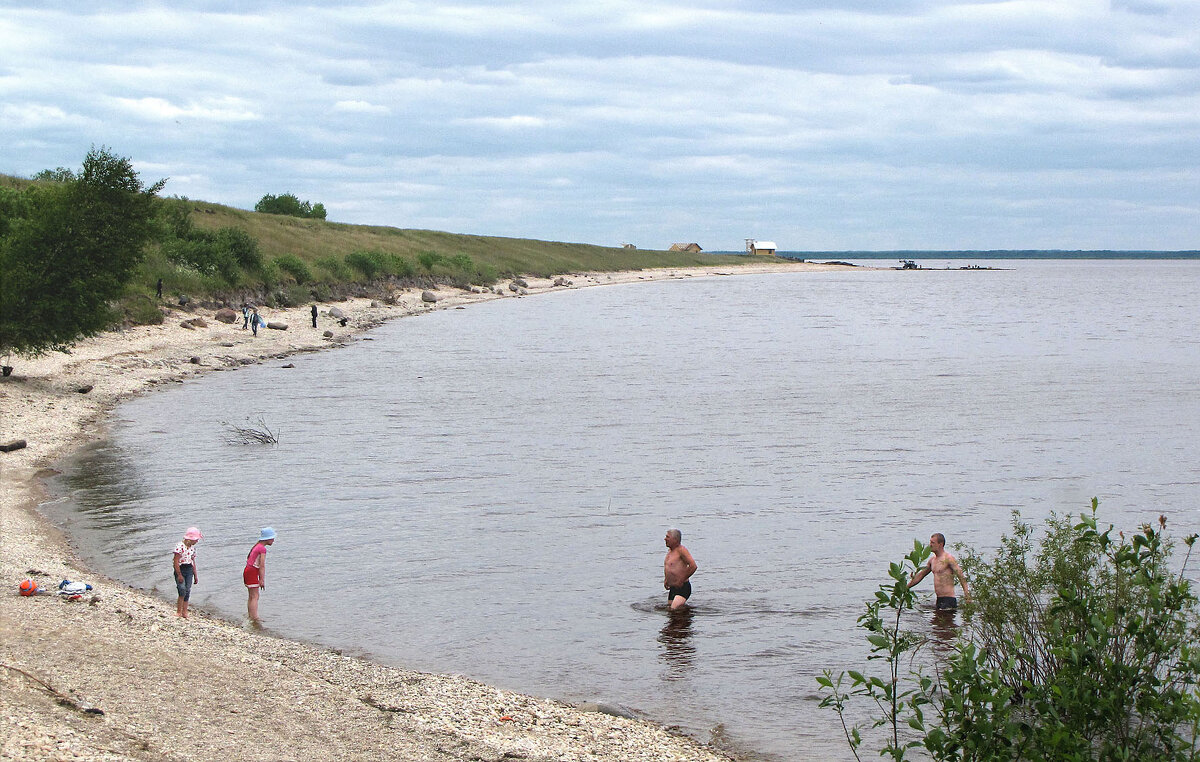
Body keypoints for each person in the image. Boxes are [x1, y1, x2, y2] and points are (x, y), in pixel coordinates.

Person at [908, 532, 970, 609]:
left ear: (940, 544)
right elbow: (921, 575)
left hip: (949, 599)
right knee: (936, 620)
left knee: (944, 620)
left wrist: (967, 595)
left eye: (933, 542)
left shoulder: (948, 558)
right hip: (939, 599)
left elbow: (961, 576)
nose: (930, 545)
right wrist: (906, 587)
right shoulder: (932, 561)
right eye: (930, 542)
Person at [243, 527, 275, 625]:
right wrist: (261, 580)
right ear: (268, 539)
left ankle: (251, 615)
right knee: (255, 596)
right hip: (252, 572)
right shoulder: (262, 549)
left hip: (247, 570)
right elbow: (262, 565)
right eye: (272, 538)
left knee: (251, 596)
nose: (273, 540)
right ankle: (255, 618)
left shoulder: (256, 546)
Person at [663, 528, 697, 610]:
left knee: (673, 610)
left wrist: (681, 580)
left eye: (667, 537)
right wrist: (666, 580)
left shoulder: (681, 550)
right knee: (671, 612)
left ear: (675, 539)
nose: (665, 539)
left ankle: (688, 617)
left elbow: (693, 566)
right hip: (673, 588)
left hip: (682, 587)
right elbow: (669, 567)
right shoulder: (670, 551)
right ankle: (687, 612)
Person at [172, 527, 202, 618]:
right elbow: (176, 561)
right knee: (182, 589)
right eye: (196, 539)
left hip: (189, 568)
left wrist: (195, 575)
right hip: (181, 568)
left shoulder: (192, 549)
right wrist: (179, 574)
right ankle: (178, 611)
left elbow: (193, 562)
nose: (196, 541)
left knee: (187, 590)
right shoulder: (179, 546)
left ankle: (185, 611)